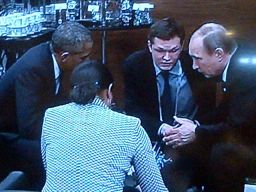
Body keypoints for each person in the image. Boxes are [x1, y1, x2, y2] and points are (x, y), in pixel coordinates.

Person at [41, 60, 168, 192]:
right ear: (109, 91)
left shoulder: (51, 117)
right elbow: (154, 188)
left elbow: (49, 169)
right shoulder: (130, 126)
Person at [123, 17, 215, 191]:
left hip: (190, 140)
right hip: (150, 136)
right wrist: (161, 128)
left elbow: (209, 109)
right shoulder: (135, 64)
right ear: (150, 46)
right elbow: (132, 109)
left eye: (173, 50)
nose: (166, 57)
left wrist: (195, 128)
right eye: (159, 50)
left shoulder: (195, 65)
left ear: (181, 47)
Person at [163, 22, 256, 191]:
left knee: (223, 153)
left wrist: (196, 132)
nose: (194, 66)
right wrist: (195, 125)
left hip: (249, 138)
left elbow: (237, 128)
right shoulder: (237, 59)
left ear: (219, 54)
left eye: (197, 58)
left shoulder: (247, 74)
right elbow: (225, 111)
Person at [0, 21, 93, 190]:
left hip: (25, 131)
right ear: (64, 56)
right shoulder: (34, 69)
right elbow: (29, 127)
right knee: (62, 154)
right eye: (83, 58)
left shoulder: (53, 59)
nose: (88, 62)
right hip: (7, 138)